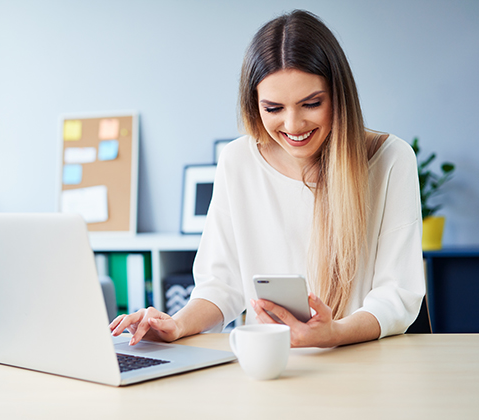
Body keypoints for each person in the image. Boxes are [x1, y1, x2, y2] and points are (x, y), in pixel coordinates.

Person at [109, 9, 425, 348]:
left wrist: (333, 334)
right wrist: (177, 325)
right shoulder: (238, 161)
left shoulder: (391, 159)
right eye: (274, 109)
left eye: (311, 104)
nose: (293, 125)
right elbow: (222, 285)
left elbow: (397, 295)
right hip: (273, 363)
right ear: (254, 105)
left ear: (338, 96)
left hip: (365, 360)